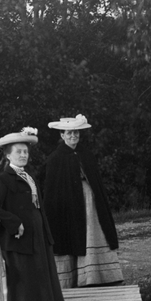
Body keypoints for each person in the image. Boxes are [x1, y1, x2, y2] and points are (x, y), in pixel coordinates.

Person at [0, 127, 67, 301]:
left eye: (25, 152)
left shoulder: (28, 176)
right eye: (18, 152)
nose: (23, 155)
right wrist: (14, 223)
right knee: (28, 274)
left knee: (41, 270)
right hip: (20, 235)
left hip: (37, 230)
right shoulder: (2, 180)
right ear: (7, 155)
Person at [39, 114, 124, 287]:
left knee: (92, 231)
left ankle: (95, 275)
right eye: (69, 133)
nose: (73, 136)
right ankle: (72, 278)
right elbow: (51, 189)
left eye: (76, 133)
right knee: (70, 236)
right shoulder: (56, 158)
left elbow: (94, 179)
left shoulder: (86, 154)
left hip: (89, 201)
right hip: (68, 206)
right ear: (62, 135)